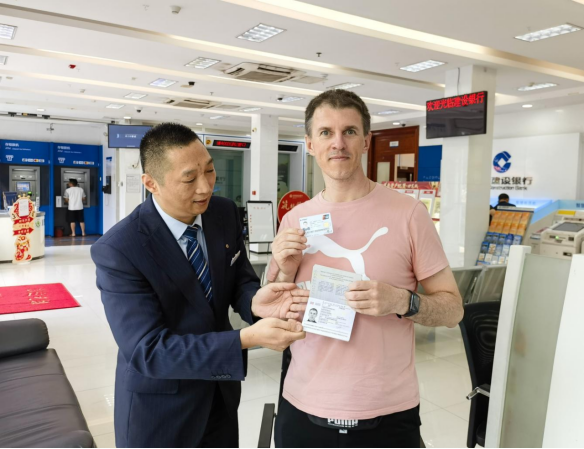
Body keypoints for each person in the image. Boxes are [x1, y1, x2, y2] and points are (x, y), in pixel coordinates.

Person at [91, 123, 308, 448]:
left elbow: (240, 280)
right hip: (161, 410)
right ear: (151, 183)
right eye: (189, 179)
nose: (205, 187)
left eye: (209, 170)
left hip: (220, 396)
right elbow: (147, 350)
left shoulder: (223, 213)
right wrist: (245, 339)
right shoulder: (120, 249)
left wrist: (254, 301)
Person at [268, 90, 464, 448]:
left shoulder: (409, 215)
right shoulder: (294, 220)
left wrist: (401, 301)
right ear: (310, 144)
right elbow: (273, 312)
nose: (338, 143)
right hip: (302, 405)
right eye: (326, 132)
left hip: (387, 412)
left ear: (366, 141)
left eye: (349, 131)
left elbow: (453, 310)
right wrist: (283, 272)